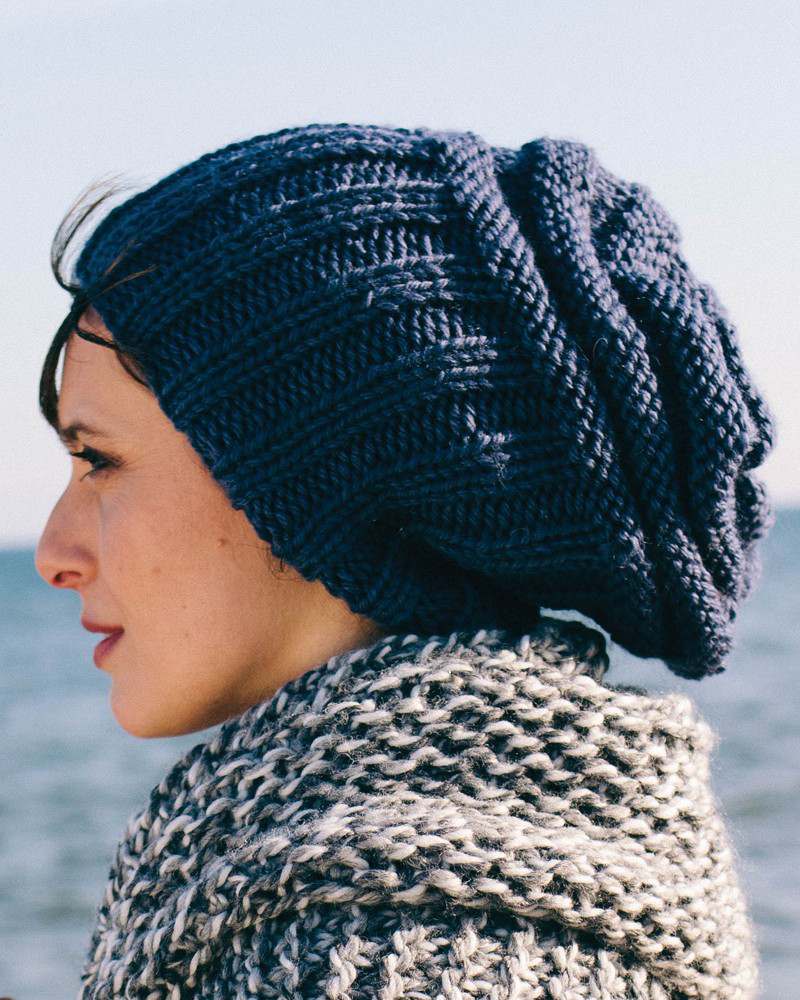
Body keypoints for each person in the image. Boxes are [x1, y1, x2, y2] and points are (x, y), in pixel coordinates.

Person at [35, 122, 773, 998]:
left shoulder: (400, 962)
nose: (53, 554)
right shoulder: (417, 875)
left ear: (310, 478)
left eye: (99, 460)